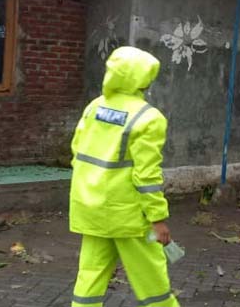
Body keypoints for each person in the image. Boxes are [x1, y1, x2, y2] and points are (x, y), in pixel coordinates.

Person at [69, 46, 180, 307]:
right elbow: (147, 176)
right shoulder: (149, 118)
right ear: (143, 79)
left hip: (91, 208)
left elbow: (77, 152)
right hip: (127, 215)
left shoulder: (94, 107)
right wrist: (158, 218)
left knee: (90, 277)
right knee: (153, 281)